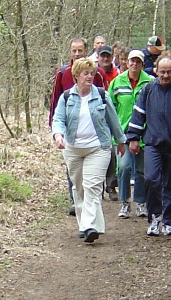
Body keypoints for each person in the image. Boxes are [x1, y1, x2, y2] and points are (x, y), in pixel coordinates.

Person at [52, 57, 126, 243]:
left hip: (98, 147)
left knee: (92, 186)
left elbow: (113, 120)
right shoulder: (67, 97)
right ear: (76, 75)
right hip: (73, 148)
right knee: (79, 187)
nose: (89, 76)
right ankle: (87, 224)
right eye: (85, 73)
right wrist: (58, 135)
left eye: (92, 73)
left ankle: (89, 226)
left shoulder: (101, 95)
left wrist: (120, 141)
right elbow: (58, 119)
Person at [127, 55, 171, 236]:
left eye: (169, 72)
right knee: (151, 179)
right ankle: (155, 217)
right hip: (153, 144)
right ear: (155, 71)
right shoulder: (148, 90)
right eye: (162, 72)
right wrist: (133, 138)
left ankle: (168, 221)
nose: (165, 75)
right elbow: (138, 115)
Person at [49, 38, 109, 215]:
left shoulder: (97, 73)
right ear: (69, 52)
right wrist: (55, 127)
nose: (77, 54)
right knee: (74, 169)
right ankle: (75, 201)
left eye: (80, 50)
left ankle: (94, 198)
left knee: (93, 170)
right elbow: (56, 99)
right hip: (70, 127)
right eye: (73, 51)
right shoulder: (63, 72)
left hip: (94, 129)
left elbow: (106, 101)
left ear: (86, 50)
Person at [108, 50, 154, 219]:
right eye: (131, 61)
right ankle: (124, 202)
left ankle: (141, 202)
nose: (134, 64)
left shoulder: (150, 82)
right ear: (126, 63)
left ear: (142, 64)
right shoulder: (117, 82)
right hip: (122, 134)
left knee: (141, 170)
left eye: (138, 62)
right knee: (124, 167)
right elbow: (110, 108)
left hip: (145, 134)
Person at [98, 45, 121, 201]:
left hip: (113, 115)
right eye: (102, 56)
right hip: (96, 116)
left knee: (112, 153)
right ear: (98, 57)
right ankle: (98, 187)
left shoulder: (117, 74)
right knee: (98, 153)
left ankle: (111, 185)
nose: (105, 59)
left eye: (108, 56)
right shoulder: (93, 72)